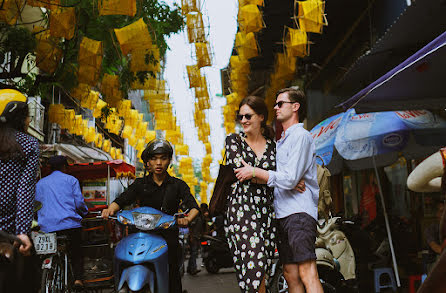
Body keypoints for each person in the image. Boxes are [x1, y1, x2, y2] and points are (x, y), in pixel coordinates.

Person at [235, 88, 323, 293]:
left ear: (295, 107)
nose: (275, 107)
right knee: (291, 275)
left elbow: (291, 178)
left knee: (307, 272)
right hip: (282, 214)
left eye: (280, 103)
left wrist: (257, 172)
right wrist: (278, 178)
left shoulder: (301, 136)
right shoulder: (280, 142)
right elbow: (285, 178)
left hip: (299, 213)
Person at [101, 139, 199, 293]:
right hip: (140, 235)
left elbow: (194, 207)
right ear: (148, 163)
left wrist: (187, 219)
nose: (158, 162)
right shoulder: (140, 184)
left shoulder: (178, 185)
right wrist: (110, 209)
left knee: (172, 272)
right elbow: (122, 199)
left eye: (163, 158)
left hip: (167, 237)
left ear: (169, 161)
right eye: (154, 158)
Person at [223, 96, 277, 293]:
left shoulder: (274, 146)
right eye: (241, 116)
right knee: (254, 262)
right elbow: (240, 173)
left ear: (261, 117)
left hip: (267, 210)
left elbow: (282, 177)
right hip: (241, 209)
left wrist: (253, 172)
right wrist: (269, 177)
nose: (243, 120)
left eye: (248, 116)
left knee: (261, 268)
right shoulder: (233, 140)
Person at [0, 89, 40, 292]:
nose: (29, 120)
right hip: (9, 235)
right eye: (27, 115)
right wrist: (22, 233)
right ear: (19, 116)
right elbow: (24, 191)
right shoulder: (29, 144)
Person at [35, 155, 88, 288]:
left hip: (45, 227)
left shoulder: (40, 183)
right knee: (76, 251)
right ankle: (78, 279)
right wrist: (84, 212)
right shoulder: (71, 180)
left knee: (41, 253)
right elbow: (79, 203)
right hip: (69, 225)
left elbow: (35, 206)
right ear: (64, 167)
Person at [424, 200, 445, 273]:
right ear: (437, 214)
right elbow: (437, 249)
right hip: (434, 263)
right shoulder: (430, 230)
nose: (443, 214)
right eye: (441, 211)